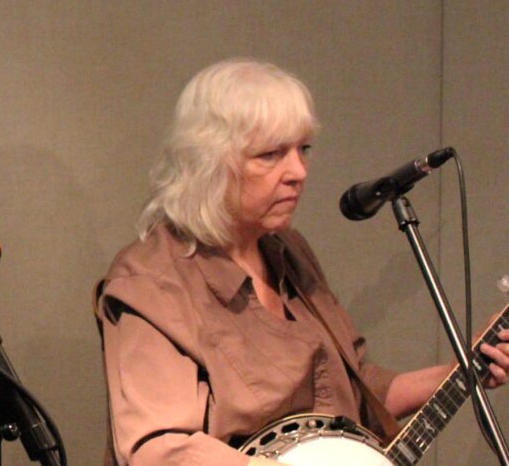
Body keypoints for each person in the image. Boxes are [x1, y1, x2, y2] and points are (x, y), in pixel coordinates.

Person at [95, 58, 509, 465]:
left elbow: (356, 390)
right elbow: (160, 448)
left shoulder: (288, 251)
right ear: (209, 163)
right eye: (271, 154)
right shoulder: (152, 280)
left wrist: (460, 368)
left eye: (303, 149)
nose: (299, 171)